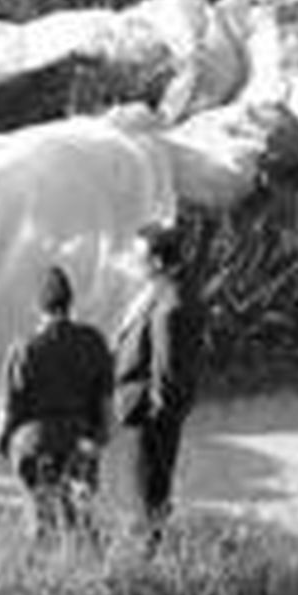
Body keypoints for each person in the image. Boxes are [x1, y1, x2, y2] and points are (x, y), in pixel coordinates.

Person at [0, 265, 116, 545]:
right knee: (82, 518)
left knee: (41, 521)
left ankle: (44, 579)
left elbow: (7, 410)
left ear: (38, 306)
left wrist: (2, 444)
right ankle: (86, 572)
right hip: (80, 442)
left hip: (34, 444)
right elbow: (106, 402)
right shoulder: (94, 341)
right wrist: (101, 438)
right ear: (70, 302)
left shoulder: (24, 348)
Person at [110, 221, 206, 555]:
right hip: (146, 412)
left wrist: (155, 417)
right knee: (148, 492)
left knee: (147, 495)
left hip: (150, 419)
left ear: (157, 261)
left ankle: (147, 563)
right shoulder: (165, 288)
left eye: (139, 256)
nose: (134, 263)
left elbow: (168, 375)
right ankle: (150, 551)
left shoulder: (170, 305)